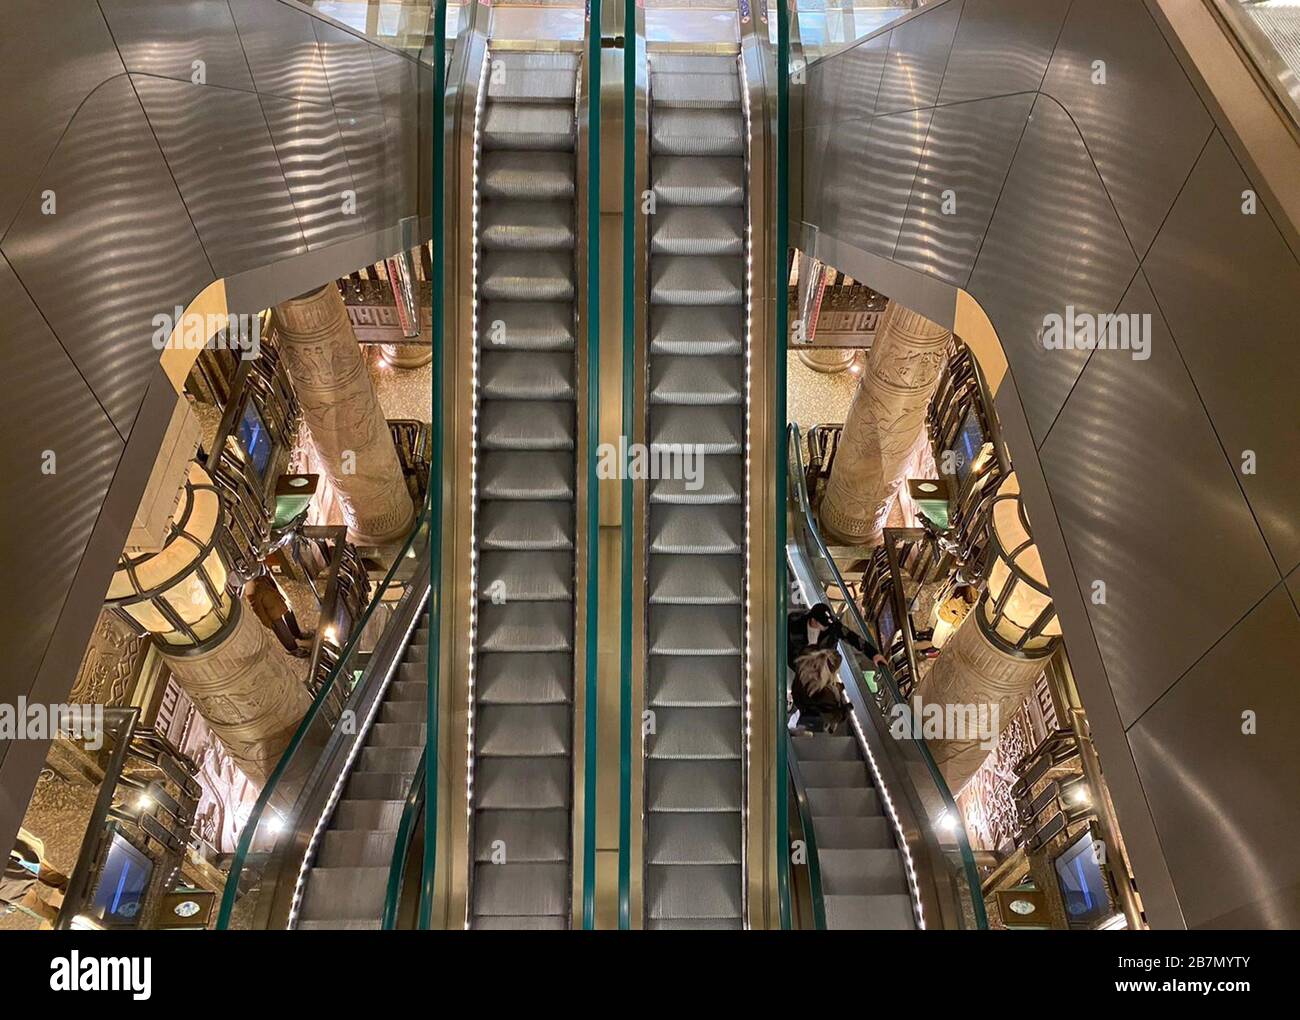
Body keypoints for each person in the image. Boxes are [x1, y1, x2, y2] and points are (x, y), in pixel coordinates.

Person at [788, 602, 888, 673]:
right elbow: (788, 650)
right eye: (823, 624)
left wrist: (873, 654)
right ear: (813, 620)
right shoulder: (794, 622)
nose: (826, 627)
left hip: (823, 666)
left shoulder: (833, 625)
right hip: (801, 665)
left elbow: (851, 637)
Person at [244, 569, 314, 657]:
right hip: (273, 614)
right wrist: (267, 622)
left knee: (289, 616)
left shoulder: (262, 577)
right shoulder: (252, 588)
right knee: (283, 632)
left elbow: (273, 586)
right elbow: (258, 610)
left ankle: (297, 634)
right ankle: (294, 649)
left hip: (279, 603)